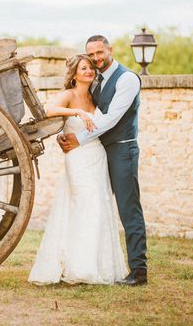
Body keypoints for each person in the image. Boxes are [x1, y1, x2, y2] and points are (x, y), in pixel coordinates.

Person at [28, 54, 127, 285]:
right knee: (83, 204)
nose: (89, 71)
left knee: (99, 205)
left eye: (91, 68)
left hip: (97, 156)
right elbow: (48, 109)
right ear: (74, 74)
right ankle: (79, 267)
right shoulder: (69, 95)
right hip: (77, 158)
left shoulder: (95, 96)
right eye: (83, 68)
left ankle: (95, 265)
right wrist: (77, 112)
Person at [58, 35, 147, 286]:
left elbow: (110, 119)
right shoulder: (96, 82)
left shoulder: (127, 79)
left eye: (100, 52)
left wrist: (79, 140)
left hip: (122, 151)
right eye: (92, 54)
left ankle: (139, 270)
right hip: (97, 154)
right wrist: (66, 135)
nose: (96, 58)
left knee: (128, 209)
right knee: (95, 208)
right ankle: (91, 262)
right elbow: (82, 114)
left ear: (110, 50)